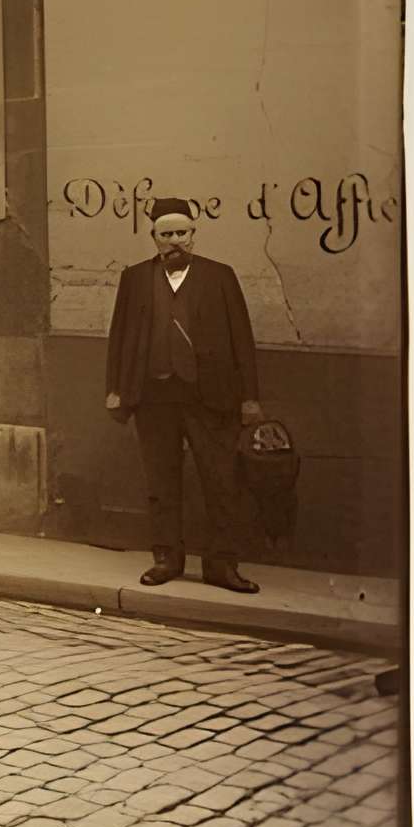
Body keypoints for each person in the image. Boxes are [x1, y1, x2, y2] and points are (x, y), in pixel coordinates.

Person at [105, 194, 265, 594]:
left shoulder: (220, 276)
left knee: (220, 481)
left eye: (182, 233)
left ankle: (222, 566)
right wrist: (115, 389)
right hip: (154, 396)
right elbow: (119, 336)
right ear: (154, 237)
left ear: (194, 233)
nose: (175, 241)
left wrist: (249, 397)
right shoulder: (135, 278)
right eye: (166, 234)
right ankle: (167, 558)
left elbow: (241, 339)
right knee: (161, 481)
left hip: (210, 397)